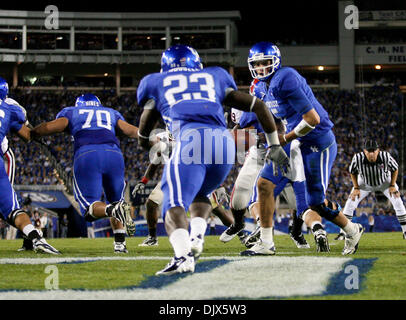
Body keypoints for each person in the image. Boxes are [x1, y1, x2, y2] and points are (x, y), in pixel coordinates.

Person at [137, 44, 288, 275]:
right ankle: (196, 237)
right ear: (196, 65)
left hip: (190, 139)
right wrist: (275, 144)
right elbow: (258, 106)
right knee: (200, 195)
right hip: (224, 143)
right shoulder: (215, 75)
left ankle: (182, 257)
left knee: (172, 203)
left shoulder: (155, 81)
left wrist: (142, 140)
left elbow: (147, 118)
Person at [242, 41, 364, 255]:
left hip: (317, 141)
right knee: (264, 184)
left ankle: (352, 229)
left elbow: (312, 119)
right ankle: (267, 243)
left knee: (315, 202)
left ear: (276, 62)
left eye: (265, 62)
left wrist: (283, 139)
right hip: (295, 141)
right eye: (257, 64)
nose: (261, 67)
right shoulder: (261, 87)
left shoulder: (285, 78)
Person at [31, 93, 138, 253]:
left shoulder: (71, 112)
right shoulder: (111, 112)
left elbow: (50, 127)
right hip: (114, 155)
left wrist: (33, 133)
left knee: (89, 209)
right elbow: (130, 130)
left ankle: (113, 210)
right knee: (116, 200)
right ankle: (120, 245)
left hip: (87, 154)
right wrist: (155, 136)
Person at [0, 95, 60, 254]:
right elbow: (27, 134)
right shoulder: (9, 106)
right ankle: (35, 238)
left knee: (10, 209)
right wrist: (36, 133)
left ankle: (32, 238)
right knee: (11, 210)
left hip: (4, 157)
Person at [339, 140, 406, 239]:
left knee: (397, 201)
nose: (371, 154)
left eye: (373, 151)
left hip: (384, 182)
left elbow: (395, 168)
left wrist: (392, 185)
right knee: (350, 202)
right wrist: (356, 187)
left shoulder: (385, 156)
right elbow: (352, 172)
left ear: (378, 150)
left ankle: (405, 231)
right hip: (365, 183)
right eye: (368, 151)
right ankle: (343, 233)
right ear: (364, 151)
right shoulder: (358, 158)